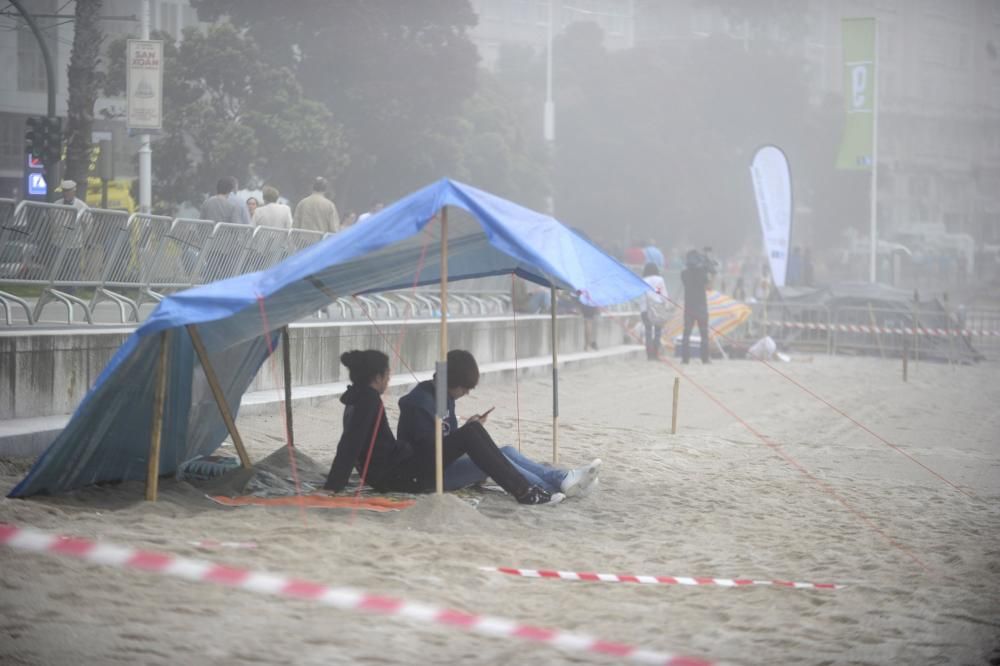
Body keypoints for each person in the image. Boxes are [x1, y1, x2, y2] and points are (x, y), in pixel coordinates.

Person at [325, 350, 565, 505]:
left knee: (490, 442)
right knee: (474, 435)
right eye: (387, 375)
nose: (389, 379)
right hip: (400, 476)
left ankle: (553, 481)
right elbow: (349, 445)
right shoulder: (370, 401)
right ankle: (527, 492)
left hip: (403, 467)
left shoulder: (359, 398)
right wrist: (333, 488)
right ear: (377, 377)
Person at [397, 350, 601, 496]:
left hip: (442, 460)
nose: (467, 393)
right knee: (493, 459)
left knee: (506, 451)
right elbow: (430, 452)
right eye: (465, 388)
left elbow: (446, 437)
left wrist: (469, 428)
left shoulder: (441, 392)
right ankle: (548, 488)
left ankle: (562, 478)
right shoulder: (420, 403)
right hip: (426, 475)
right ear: (453, 383)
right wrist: (469, 439)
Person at [680, 249, 711, 364]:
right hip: (701, 307)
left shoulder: (684, 274)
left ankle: (685, 358)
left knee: (686, 333)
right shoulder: (702, 273)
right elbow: (709, 286)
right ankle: (705, 358)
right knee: (704, 334)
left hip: (689, 307)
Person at [639, 262, 670, 361]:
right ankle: (656, 354)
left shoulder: (643, 281)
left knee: (648, 332)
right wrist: (666, 304)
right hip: (658, 308)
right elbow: (662, 293)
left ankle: (649, 355)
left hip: (646, 308)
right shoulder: (659, 280)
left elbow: (642, 296)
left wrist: (642, 309)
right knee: (657, 332)